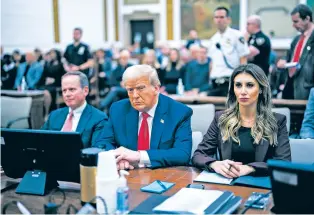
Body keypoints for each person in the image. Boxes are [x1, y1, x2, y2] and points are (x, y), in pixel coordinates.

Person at [192, 64, 291, 177]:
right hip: (228, 182)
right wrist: (214, 164)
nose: (243, 91)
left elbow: (284, 162)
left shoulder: (278, 121)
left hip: (260, 184)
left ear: (261, 89)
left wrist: (250, 168)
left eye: (249, 85)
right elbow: (199, 155)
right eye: (238, 85)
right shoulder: (221, 118)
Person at [96, 65, 193, 169]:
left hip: (163, 176)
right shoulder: (118, 109)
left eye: (140, 88)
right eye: (130, 90)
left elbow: (182, 154)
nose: (135, 95)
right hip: (128, 175)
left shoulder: (179, 112)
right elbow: (102, 143)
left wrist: (139, 156)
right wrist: (116, 158)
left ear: (156, 88)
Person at [42, 72, 109, 149]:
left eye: (72, 89)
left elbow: (97, 151)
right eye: (64, 90)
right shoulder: (54, 116)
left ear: (85, 91)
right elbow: (40, 141)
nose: (67, 94)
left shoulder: (99, 119)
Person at [208, 6, 250, 96]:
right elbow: (212, 62)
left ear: (228, 19)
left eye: (222, 17)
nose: (219, 20)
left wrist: (242, 81)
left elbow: (243, 59)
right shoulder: (213, 39)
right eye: (216, 17)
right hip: (215, 82)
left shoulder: (237, 35)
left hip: (230, 82)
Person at [277, 4, 314, 100]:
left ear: (307, 19)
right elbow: (288, 56)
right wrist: (283, 61)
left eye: (296, 22)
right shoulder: (296, 39)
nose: (293, 25)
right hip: (290, 87)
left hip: (306, 91)